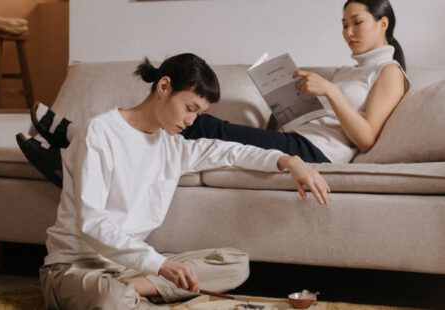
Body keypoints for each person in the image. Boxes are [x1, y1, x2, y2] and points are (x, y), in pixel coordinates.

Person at [23, 53, 329, 310]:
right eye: (189, 108)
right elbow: (92, 224)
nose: (190, 121)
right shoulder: (99, 133)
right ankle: (138, 293)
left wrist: (290, 161)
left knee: (236, 263)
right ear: (164, 87)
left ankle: (137, 290)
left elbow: (231, 152)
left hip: (129, 269)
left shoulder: (173, 147)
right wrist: (162, 266)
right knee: (112, 298)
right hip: (74, 267)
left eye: (199, 114)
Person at [17, 0, 409, 189]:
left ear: (383, 23)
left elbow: (366, 136)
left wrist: (330, 93)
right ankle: (78, 144)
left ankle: (72, 145)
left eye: (356, 22)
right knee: (187, 133)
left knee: (197, 124)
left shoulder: (389, 71)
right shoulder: (353, 70)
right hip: (302, 137)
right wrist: (293, 102)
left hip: (316, 154)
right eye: (343, 24)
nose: (348, 32)